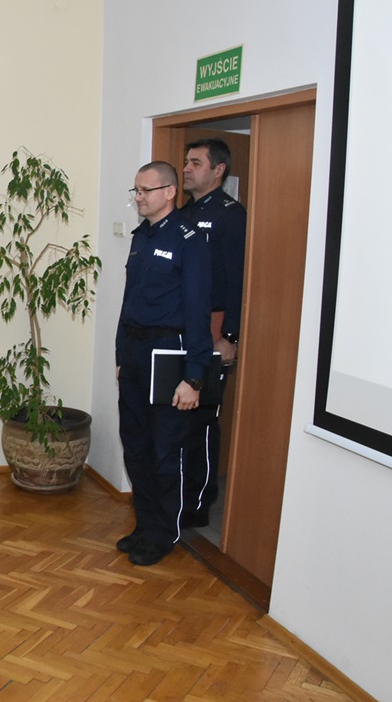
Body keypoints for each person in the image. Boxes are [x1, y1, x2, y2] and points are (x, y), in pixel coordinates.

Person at [115, 161, 212, 566]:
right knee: (136, 446)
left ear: (170, 192)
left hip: (169, 354)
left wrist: (195, 377)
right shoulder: (142, 237)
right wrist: (120, 356)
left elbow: (198, 312)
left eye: (146, 190)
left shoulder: (189, 240)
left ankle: (163, 534)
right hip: (135, 355)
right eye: (136, 190)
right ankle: (144, 525)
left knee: (164, 450)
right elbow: (129, 303)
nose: (138, 197)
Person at [178, 138, 248, 528]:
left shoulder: (230, 215)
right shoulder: (184, 213)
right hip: (182, 327)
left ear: (218, 170)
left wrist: (230, 337)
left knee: (202, 417)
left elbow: (239, 281)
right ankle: (177, 496)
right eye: (186, 162)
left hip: (214, 327)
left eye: (196, 163)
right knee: (177, 415)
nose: (187, 169)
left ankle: (199, 502)